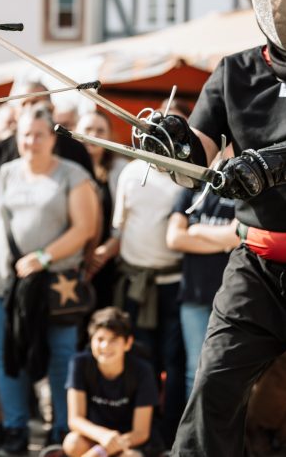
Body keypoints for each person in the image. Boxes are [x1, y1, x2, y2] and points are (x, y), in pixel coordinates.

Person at [132, 0, 286, 455]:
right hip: (256, 267)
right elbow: (197, 156)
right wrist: (171, 147)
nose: (282, 5)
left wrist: (271, 164)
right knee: (212, 386)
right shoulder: (235, 72)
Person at [0, 106, 97, 456]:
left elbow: (85, 228)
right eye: (25, 135)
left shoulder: (73, 175)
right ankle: (15, 429)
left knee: (62, 356)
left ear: (52, 139)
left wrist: (44, 257)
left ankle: (62, 431)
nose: (31, 141)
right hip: (1, 285)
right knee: (8, 356)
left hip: (55, 285)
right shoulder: (2, 175)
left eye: (38, 135)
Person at [101, 152, 185, 447]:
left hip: (175, 282)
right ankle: (141, 433)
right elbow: (120, 227)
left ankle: (171, 435)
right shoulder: (131, 172)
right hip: (136, 283)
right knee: (140, 358)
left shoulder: (188, 174)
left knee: (174, 362)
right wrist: (101, 254)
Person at [164, 188, 237, 395]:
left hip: (232, 298)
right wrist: (223, 243)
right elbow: (174, 238)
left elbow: (238, 236)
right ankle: (195, 418)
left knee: (228, 369)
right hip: (193, 297)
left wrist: (196, 230)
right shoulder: (190, 191)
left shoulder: (241, 189)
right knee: (195, 370)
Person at [60, 308, 159, 457]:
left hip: (128, 442)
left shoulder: (143, 371)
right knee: (72, 442)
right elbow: (75, 420)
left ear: (128, 343)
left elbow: (141, 432)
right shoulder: (80, 363)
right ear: (91, 340)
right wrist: (103, 436)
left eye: (114, 340)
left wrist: (100, 452)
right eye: (100, 339)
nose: (105, 346)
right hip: (94, 436)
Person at [76, 111, 129, 310]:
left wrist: (107, 249)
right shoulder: (64, 167)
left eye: (100, 131)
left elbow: (127, 216)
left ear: (109, 136)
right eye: (88, 129)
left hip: (106, 260)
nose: (93, 135)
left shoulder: (120, 169)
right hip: (71, 258)